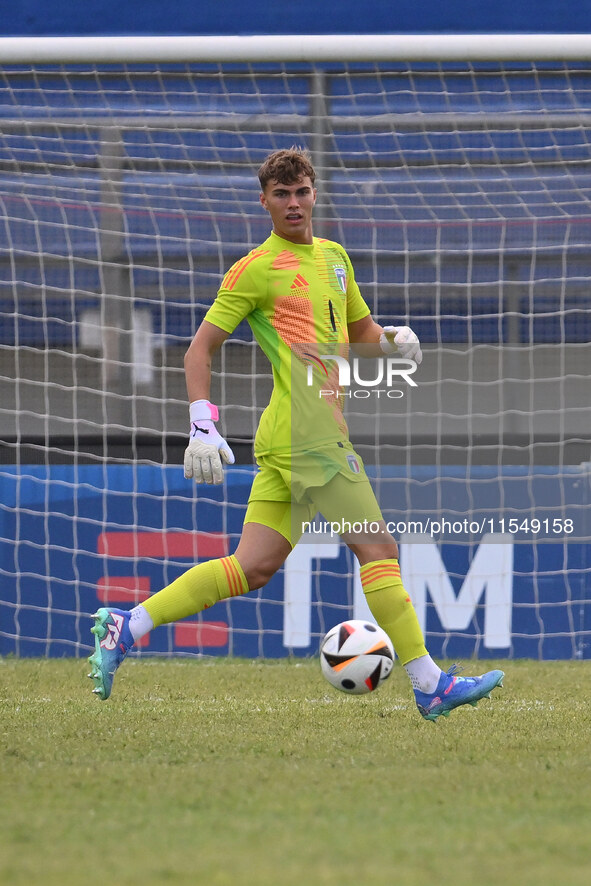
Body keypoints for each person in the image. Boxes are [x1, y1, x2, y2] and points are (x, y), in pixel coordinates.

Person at [88, 148, 504, 721]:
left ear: (314, 194)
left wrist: (391, 341)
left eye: (301, 191)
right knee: (379, 550)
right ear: (264, 202)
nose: (293, 203)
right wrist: (201, 424)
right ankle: (430, 684)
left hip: (294, 436)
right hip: (309, 437)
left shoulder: (335, 258)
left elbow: (359, 330)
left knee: (251, 567)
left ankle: (126, 626)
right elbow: (198, 348)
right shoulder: (256, 267)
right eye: (281, 195)